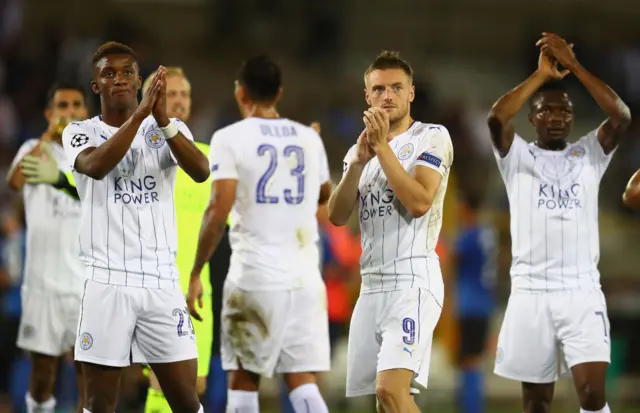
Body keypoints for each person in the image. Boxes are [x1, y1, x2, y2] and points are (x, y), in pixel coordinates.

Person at [61, 41, 210, 413]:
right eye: (108, 73)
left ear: (140, 79)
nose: (120, 79)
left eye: (127, 72)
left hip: (161, 282)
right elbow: (95, 166)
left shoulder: (169, 129)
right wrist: (139, 116)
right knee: (98, 404)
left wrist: (157, 119)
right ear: (96, 86)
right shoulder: (79, 132)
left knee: (186, 402)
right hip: (107, 281)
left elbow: (202, 171)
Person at [487, 32, 631, 413]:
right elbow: (497, 116)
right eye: (547, 111)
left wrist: (576, 67)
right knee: (536, 403)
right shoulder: (515, 156)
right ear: (532, 118)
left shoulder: (589, 154)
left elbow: (621, 116)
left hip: (581, 291)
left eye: (565, 111)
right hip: (531, 292)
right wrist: (540, 77)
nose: (557, 118)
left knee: (591, 394)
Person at [188, 55, 333, 413]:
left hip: (255, 277)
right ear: (279, 92)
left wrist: (195, 270)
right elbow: (325, 194)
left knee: (243, 380)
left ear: (240, 92)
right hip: (304, 281)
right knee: (302, 382)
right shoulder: (308, 137)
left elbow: (218, 207)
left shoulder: (229, 137)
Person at [328, 50, 454, 413]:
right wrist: (357, 163)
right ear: (367, 96)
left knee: (390, 391)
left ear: (411, 93)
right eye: (379, 89)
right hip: (371, 286)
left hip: (412, 280)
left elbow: (419, 203)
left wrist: (382, 148)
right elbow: (337, 215)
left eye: (397, 88)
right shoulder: (360, 149)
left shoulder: (432, 137)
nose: (388, 96)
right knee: (385, 402)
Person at [138, 66, 218, 413]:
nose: (180, 101)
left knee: (195, 383)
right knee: (166, 379)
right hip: (157, 284)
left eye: (184, 94)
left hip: (198, 287)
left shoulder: (207, 158)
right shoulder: (140, 155)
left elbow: (227, 216)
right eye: (172, 94)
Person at [5, 82, 88, 413]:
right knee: (42, 374)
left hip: (85, 283)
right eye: (62, 106)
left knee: (89, 371)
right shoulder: (33, 148)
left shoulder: (93, 157)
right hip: (43, 285)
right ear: (49, 113)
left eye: (76, 105)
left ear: (85, 113)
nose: (69, 112)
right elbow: (14, 183)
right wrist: (47, 137)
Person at [452, 193, 497, 413]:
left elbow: (452, 258)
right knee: (476, 358)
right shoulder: (488, 234)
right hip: (485, 302)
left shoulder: (467, 237)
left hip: (469, 304)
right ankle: (473, 405)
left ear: (467, 210)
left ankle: (470, 408)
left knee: (468, 359)